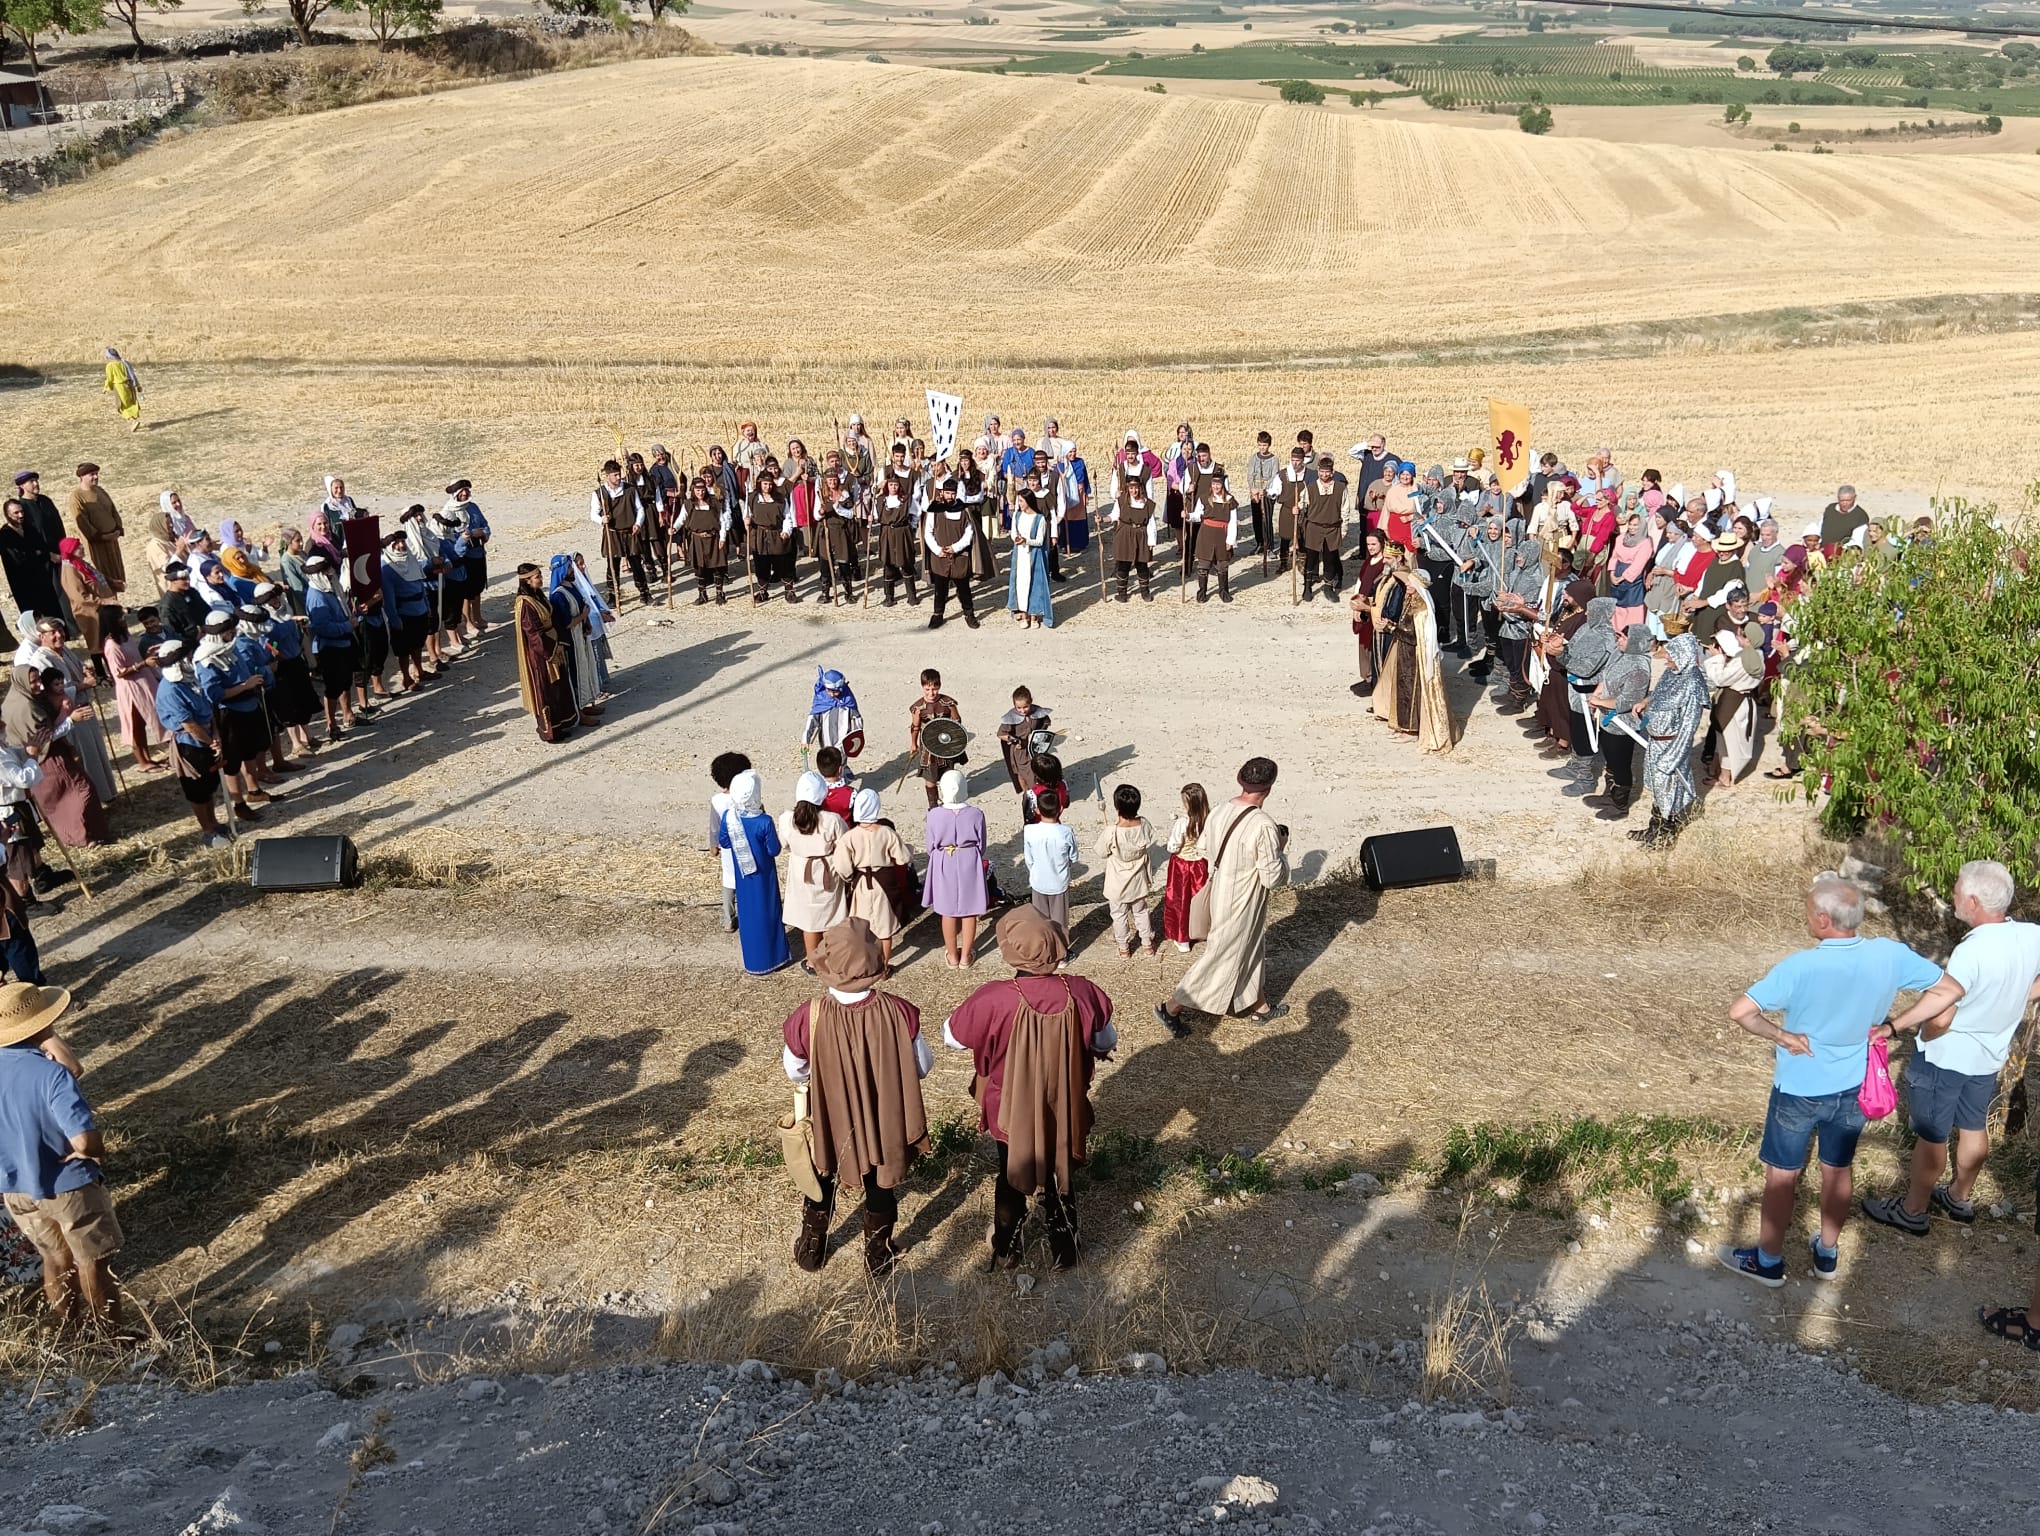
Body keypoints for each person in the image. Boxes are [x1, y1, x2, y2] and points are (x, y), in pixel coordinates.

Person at [1720, 874, 1958, 1288]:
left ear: (1825, 919)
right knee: (1837, 1169)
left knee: (1782, 1175)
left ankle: (1769, 1261)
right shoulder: (1889, 954)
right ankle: (1826, 1254)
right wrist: (1893, 1027)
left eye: (1811, 911)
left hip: (1798, 1088)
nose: (1808, 916)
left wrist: (1782, 1035)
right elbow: (1948, 990)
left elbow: (1740, 1011)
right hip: (1854, 1085)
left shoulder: (1801, 966)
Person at [1863, 861, 2040, 1243]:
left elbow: (1941, 1015)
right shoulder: (2029, 936)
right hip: (1989, 1053)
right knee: (1973, 1123)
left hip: (1947, 1057)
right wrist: (2016, 996)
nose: (1954, 894)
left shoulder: (1971, 951)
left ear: (1973, 901)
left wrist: (1901, 1027)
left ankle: (1913, 1211)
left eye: (1958, 889)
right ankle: (1959, 1198)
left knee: (1933, 1134)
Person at [942, 906, 1116, 1269]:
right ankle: (1065, 1249)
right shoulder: (1081, 992)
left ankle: (1006, 1249)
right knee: (1060, 1173)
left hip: (1009, 1108)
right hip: (1063, 1106)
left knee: (1009, 1174)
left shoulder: (994, 997)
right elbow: (1104, 1040)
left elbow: (952, 1037)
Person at [782, 918, 930, 1275]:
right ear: (875, 963)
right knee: (881, 1182)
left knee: (823, 1175)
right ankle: (877, 1256)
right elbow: (922, 1065)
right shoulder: (900, 1011)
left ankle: (812, 1247)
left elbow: (794, 1069)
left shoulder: (810, 1016)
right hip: (884, 1116)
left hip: (831, 1115)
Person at [0, 982, 131, 1335]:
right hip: (69, 1185)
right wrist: (93, 1150)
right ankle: (111, 1337)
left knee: (54, 1260)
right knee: (93, 1264)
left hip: (17, 1190)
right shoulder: (51, 1074)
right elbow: (84, 1140)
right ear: (43, 1022)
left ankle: (68, 1330)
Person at [1156, 757, 1287, 1037]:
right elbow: (1272, 878)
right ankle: (1171, 1007)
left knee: (1249, 949)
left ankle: (1259, 1007)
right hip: (1243, 899)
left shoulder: (1218, 811)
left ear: (1241, 779)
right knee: (1221, 955)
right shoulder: (1264, 826)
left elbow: (1203, 850)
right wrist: (1282, 851)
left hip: (1218, 891)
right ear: (1269, 787)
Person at [2, 659, 109, 848]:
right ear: (22, 682)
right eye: (33, 681)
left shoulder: (21, 698)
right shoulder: (26, 708)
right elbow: (43, 738)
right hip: (46, 758)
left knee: (61, 800)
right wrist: (69, 719)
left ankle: (77, 835)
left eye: (38, 680)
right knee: (80, 791)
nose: (38, 685)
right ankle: (83, 835)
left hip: (41, 757)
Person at [1628, 632, 1708, 850]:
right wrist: (1645, 702)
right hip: (1656, 742)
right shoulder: (1671, 673)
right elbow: (1659, 695)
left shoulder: (1692, 683)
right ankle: (1654, 827)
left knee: (1669, 789)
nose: (1667, 659)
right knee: (1657, 787)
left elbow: (1688, 726)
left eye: (1672, 655)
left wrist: (1672, 756)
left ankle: (1666, 835)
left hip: (1671, 745)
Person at [150, 640, 230, 847]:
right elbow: (189, 725)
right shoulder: (169, 690)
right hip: (190, 746)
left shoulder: (190, 680)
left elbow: (208, 708)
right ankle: (206, 829)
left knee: (209, 786)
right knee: (197, 790)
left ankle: (214, 822)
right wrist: (211, 741)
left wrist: (216, 735)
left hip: (208, 738)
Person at [717, 769, 792, 976]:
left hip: (743, 876)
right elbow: (774, 850)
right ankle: (775, 957)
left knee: (748, 915)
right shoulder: (764, 821)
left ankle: (753, 960)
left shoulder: (729, 817)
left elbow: (723, 842)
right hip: (764, 876)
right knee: (768, 912)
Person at [831, 788, 913, 973]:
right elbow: (903, 858)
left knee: (860, 928)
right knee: (884, 928)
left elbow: (842, 865)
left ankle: (862, 965)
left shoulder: (849, 836)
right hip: (883, 884)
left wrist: (849, 877)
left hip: (861, 884)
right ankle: (883, 968)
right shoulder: (886, 832)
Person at [780, 772, 847, 973]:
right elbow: (844, 843)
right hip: (827, 869)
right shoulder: (832, 820)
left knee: (809, 920)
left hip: (802, 871)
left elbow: (784, 844)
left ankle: (811, 961)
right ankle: (829, 958)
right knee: (830, 916)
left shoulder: (786, 819)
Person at [923, 768, 990, 969]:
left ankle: (952, 956)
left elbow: (929, 846)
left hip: (944, 859)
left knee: (948, 910)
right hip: (968, 857)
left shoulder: (934, 815)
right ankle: (966, 956)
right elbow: (982, 844)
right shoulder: (976, 814)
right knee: (970, 911)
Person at [510, 561, 576, 744]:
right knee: (546, 691)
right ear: (527, 581)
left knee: (558, 689)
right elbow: (533, 633)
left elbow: (553, 618)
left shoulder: (538, 596)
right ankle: (550, 732)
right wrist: (552, 649)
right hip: (541, 654)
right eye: (537, 576)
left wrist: (561, 641)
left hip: (554, 645)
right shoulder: (525, 604)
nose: (541, 579)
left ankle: (562, 724)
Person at [100, 607, 167, 773]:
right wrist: (143, 664)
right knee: (135, 724)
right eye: (120, 617)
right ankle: (142, 761)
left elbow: (133, 656)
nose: (124, 619)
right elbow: (119, 672)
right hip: (130, 688)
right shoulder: (111, 644)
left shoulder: (125, 636)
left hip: (143, 682)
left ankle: (148, 758)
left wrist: (145, 656)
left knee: (144, 721)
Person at [1094, 783, 1156, 958]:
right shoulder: (1143, 824)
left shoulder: (1111, 831)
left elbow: (1100, 852)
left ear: (1116, 806)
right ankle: (1147, 945)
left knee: (1119, 915)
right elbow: (1150, 838)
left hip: (1118, 882)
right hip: (1138, 880)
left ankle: (1123, 948)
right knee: (1141, 911)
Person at [922, 476, 981, 630]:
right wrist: (937, 550)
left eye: (953, 493)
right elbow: (928, 533)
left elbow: (969, 534)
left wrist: (955, 548)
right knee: (940, 589)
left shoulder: (963, 510)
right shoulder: (934, 510)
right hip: (940, 556)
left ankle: (969, 614)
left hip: (959, 556)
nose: (950, 496)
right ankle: (938, 614)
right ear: (942, 493)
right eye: (947, 493)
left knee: (964, 588)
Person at [1108, 432, 1160, 603]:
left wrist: (1146, 505)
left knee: (1141, 563)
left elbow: (1150, 494)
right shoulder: (1120, 467)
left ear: (1137, 453)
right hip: (1124, 512)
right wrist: (1115, 495)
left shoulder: (1145, 470)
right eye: (1128, 453)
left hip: (1140, 516)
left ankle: (1145, 591)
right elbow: (1114, 488)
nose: (1130, 457)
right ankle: (1122, 592)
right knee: (1123, 561)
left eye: (1133, 453)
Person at [1020, 790, 1076, 940]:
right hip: (1059, 882)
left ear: (1037, 810)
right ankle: (1061, 952)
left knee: (1041, 919)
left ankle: (1045, 949)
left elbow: (1028, 859)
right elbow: (1073, 856)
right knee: (1060, 921)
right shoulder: (1066, 832)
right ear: (1060, 809)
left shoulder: (1029, 831)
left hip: (1038, 881)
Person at [705, 751, 751, 936]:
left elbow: (714, 827)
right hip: (747, 848)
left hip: (727, 850)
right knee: (745, 882)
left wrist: (713, 845)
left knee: (728, 882)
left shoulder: (717, 801)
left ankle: (728, 920)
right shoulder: (747, 798)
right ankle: (747, 915)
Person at [1162, 782, 1210, 954]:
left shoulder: (1183, 823)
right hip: (1200, 864)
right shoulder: (1208, 819)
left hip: (1182, 866)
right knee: (1199, 899)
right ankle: (1200, 930)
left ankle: (1183, 939)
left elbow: (1173, 846)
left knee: (1180, 901)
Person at [0, 496, 63, 624]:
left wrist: (41, 554)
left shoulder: (29, 528)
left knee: (51, 612)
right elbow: (18, 559)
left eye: (22, 511)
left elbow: (41, 547)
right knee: (35, 616)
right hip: (23, 583)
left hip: (42, 577)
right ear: (7, 515)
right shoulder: (5, 535)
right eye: (16, 513)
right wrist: (42, 555)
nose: (20, 515)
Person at [907, 667, 963, 809]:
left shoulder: (948, 703)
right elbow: (915, 727)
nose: (931, 693)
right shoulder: (918, 708)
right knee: (930, 777)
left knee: (948, 774)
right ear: (922, 687)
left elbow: (957, 722)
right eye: (927, 689)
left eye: (934, 689)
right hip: (928, 747)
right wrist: (913, 744)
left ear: (939, 686)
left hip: (946, 745)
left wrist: (956, 741)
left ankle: (948, 800)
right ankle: (933, 805)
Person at [1298, 455, 1348, 604]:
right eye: (1322, 471)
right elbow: (1303, 504)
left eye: (1327, 472)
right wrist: (1297, 509)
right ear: (1318, 471)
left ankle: (1328, 587)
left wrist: (1343, 530)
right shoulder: (1311, 488)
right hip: (1314, 528)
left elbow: (1345, 510)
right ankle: (1307, 587)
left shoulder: (1340, 488)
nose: (1324, 474)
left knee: (1330, 559)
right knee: (1311, 558)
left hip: (1332, 528)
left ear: (1332, 472)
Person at [67, 465, 126, 590]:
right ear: (82, 477)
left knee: (116, 575)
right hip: (98, 544)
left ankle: (116, 605)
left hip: (112, 540)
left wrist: (117, 529)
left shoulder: (100, 491)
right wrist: (100, 536)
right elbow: (82, 522)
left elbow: (113, 510)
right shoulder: (77, 497)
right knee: (104, 576)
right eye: (92, 474)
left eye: (96, 474)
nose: (96, 477)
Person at [1188, 463, 1240, 604]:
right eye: (1214, 484)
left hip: (1222, 535)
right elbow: (1198, 515)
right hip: (1206, 534)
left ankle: (1223, 591)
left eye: (1219, 484)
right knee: (1203, 566)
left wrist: (1230, 540)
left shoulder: (1230, 501)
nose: (1216, 487)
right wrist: (1188, 515)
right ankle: (1202, 592)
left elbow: (1233, 522)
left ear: (1223, 485)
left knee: (1222, 566)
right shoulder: (1204, 498)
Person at [679, 474, 732, 606]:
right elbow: (681, 519)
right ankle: (702, 595)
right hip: (698, 539)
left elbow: (722, 521)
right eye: (697, 490)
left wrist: (723, 537)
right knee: (700, 568)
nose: (700, 492)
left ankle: (720, 593)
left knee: (717, 567)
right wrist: (673, 528)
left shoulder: (714, 502)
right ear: (693, 490)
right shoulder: (688, 504)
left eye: (702, 490)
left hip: (714, 538)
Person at [1818, 484, 1868, 552]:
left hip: (1843, 554)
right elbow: (1820, 527)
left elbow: (1856, 541)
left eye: (1848, 500)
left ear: (1854, 497)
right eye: (1842, 500)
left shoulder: (1860, 516)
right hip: (1822, 550)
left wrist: (1836, 550)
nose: (1844, 504)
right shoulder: (1830, 509)